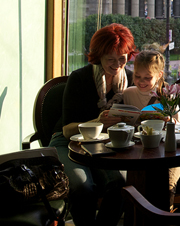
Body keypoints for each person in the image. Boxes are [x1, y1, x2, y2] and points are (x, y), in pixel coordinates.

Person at [49, 23, 138, 226]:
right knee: (82, 187)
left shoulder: (131, 80)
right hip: (68, 142)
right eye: (110, 59)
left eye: (122, 59)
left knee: (121, 183)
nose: (117, 65)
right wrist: (98, 121)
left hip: (106, 143)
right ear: (99, 56)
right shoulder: (80, 78)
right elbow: (66, 129)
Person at [122, 49, 180, 208]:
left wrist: (169, 120)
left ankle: (164, 216)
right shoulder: (127, 94)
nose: (141, 81)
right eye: (137, 76)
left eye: (147, 78)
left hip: (168, 153)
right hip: (140, 154)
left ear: (159, 75)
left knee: (166, 183)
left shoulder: (166, 95)